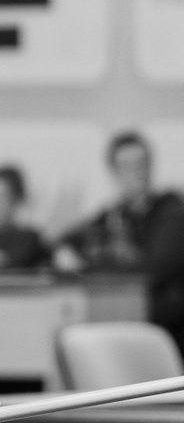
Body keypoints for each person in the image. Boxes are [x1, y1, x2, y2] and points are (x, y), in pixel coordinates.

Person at [53, 131, 184, 352]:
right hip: (124, 320)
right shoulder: (115, 214)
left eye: (142, 163)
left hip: (167, 330)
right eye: (127, 166)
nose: (137, 172)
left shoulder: (171, 212)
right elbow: (67, 240)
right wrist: (64, 251)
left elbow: (151, 272)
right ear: (114, 172)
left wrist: (89, 267)